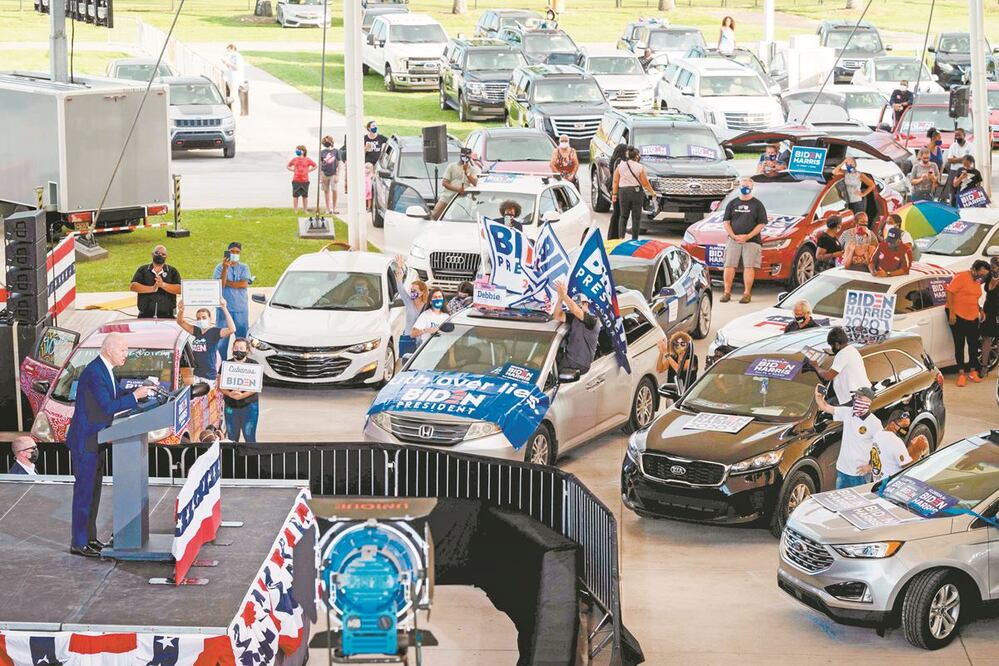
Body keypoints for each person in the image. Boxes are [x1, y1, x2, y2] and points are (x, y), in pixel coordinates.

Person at [66, 333, 154, 556]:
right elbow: (107, 406)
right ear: (108, 350)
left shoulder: (104, 369)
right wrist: (135, 397)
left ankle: (90, 539)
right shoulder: (95, 372)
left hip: (98, 440)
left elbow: (116, 393)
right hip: (87, 442)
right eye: (123, 350)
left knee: (93, 493)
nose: (127, 354)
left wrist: (140, 392)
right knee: (85, 494)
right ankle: (79, 543)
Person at [814, 385, 882, 489]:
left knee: (858, 504)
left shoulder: (874, 423)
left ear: (869, 401)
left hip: (860, 475)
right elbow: (825, 407)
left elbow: (882, 447)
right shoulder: (848, 412)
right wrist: (818, 398)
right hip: (842, 471)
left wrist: (870, 467)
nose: (856, 399)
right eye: (856, 396)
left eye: (860, 397)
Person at [721, 177, 766, 304]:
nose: (745, 188)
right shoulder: (732, 203)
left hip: (751, 241)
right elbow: (726, 222)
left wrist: (748, 236)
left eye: (747, 186)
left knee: (749, 266)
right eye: (743, 185)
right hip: (733, 240)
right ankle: (727, 292)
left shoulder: (757, 204)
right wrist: (733, 236)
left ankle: (747, 293)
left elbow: (761, 224)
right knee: (729, 265)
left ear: (752, 188)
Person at [946, 260, 991, 386]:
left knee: (973, 343)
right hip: (958, 315)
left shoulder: (977, 281)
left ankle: (972, 372)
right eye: (981, 274)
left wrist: (980, 309)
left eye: (984, 275)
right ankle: (961, 374)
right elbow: (949, 292)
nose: (982, 277)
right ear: (974, 270)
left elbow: (974, 297)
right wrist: (951, 313)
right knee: (959, 343)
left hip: (972, 316)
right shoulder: (961, 277)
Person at [805, 326, 871, 406]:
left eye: (831, 346)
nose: (831, 348)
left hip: (853, 397)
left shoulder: (842, 355)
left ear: (836, 344)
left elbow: (827, 376)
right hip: (862, 393)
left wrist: (816, 366)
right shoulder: (852, 350)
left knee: (825, 407)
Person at [176, 297, 235, 383]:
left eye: (204, 317)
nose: (201, 320)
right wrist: (181, 310)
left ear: (210, 319)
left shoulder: (214, 332)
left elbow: (232, 329)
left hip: (209, 376)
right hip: (196, 375)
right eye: (198, 318)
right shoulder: (196, 331)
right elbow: (180, 322)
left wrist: (224, 308)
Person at [213, 242, 252, 361]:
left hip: (240, 310)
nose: (234, 254)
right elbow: (220, 285)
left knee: (242, 342)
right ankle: (221, 367)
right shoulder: (220, 267)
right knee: (221, 342)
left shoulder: (244, 267)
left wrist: (228, 284)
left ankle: (242, 364)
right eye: (232, 252)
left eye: (237, 252)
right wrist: (225, 268)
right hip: (223, 311)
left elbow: (244, 284)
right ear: (228, 252)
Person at [553, 281, 600, 374]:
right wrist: (560, 299)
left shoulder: (592, 319)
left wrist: (564, 295)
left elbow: (576, 310)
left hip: (579, 363)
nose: (576, 308)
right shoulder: (574, 317)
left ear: (586, 305)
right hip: (569, 358)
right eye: (575, 304)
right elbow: (557, 316)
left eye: (579, 305)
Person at [859, 411, 918, 483]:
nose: (905, 430)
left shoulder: (878, 434)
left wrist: (870, 466)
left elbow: (874, 452)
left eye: (907, 427)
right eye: (903, 427)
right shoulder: (895, 441)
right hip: (892, 485)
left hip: (878, 484)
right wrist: (918, 451)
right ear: (892, 424)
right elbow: (908, 467)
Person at [219, 338, 259, 443]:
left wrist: (242, 395)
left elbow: (256, 387)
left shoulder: (254, 365)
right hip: (230, 406)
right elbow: (220, 385)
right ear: (232, 349)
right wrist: (229, 394)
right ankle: (233, 458)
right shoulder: (225, 365)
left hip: (249, 407)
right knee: (232, 437)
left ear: (247, 350)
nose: (238, 350)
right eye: (236, 348)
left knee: (249, 436)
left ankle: (251, 459)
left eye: (241, 348)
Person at [612, 146, 655, 241]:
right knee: (636, 218)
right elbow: (645, 183)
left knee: (623, 216)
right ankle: (634, 240)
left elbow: (615, 181)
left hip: (623, 192)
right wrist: (652, 192)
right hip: (636, 192)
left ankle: (621, 239)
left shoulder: (620, 165)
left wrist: (614, 194)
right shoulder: (640, 167)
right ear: (636, 156)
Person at [130, 244, 181, 318]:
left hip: (168, 316)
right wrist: (152, 288)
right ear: (152, 254)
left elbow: (180, 289)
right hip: (144, 315)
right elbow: (133, 286)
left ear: (166, 257)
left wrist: (163, 285)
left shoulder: (172, 271)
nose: (160, 255)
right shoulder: (143, 269)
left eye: (163, 254)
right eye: (157, 253)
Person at [432, 147, 480, 219]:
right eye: (464, 155)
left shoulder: (472, 169)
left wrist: (467, 172)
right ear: (460, 155)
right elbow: (445, 183)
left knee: (457, 217)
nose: (465, 158)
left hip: (461, 199)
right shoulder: (452, 166)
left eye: (468, 156)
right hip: (447, 196)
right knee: (435, 214)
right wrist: (457, 189)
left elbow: (475, 183)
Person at [979, 257, 999, 378]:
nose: (992, 269)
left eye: (994, 267)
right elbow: (975, 282)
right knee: (986, 339)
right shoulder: (988, 278)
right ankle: (984, 366)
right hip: (988, 312)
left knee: (998, 340)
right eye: (991, 267)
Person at [606, 142, 630, 239]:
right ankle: (613, 236)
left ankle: (613, 235)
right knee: (618, 213)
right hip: (618, 190)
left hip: (615, 190)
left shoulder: (615, 161)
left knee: (617, 213)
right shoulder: (620, 162)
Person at [942, 127, 973, 202]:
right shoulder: (953, 146)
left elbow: (969, 161)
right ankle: (953, 209)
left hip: (965, 172)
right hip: (954, 171)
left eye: (959, 135)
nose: (957, 137)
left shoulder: (970, 146)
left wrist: (956, 159)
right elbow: (949, 160)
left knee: (964, 193)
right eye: (956, 136)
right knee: (953, 194)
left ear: (964, 135)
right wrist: (962, 159)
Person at [287, 145, 316, 213]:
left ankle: (305, 210)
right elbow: (288, 166)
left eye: (298, 150)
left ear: (303, 151)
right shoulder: (294, 159)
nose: (297, 151)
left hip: (305, 180)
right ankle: (295, 210)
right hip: (296, 180)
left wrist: (309, 171)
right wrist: (293, 170)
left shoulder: (307, 159)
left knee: (305, 196)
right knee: (295, 196)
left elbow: (315, 165)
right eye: (296, 150)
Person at [222, 43, 247, 115]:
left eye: (229, 50)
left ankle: (235, 111)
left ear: (233, 49)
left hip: (236, 79)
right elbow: (230, 67)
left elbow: (237, 67)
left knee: (234, 95)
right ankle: (234, 110)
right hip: (231, 78)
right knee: (232, 94)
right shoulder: (232, 56)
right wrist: (226, 63)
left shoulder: (238, 57)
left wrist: (228, 63)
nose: (228, 52)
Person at [319, 136, 340, 214]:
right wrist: (321, 176)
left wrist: (338, 175)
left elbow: (339, 164)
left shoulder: (336, 151)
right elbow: (321, 164)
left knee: (334, 190)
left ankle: (334, 208)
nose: (326, 142)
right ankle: (328, 209)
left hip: (333, 173)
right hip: (324, 173)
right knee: (326, 191)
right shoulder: (322, 152)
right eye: (324, 141)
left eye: (327, 141)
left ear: (331, 142)